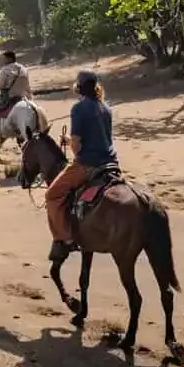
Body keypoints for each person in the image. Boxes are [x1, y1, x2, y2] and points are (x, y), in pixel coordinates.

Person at [44, 68, 116, 259]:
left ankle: (65, 238)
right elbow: (97, 138)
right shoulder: (106, 108)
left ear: (79, 88)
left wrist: (72, 147)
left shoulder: (78, 108)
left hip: (87, 164)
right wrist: (69, 140)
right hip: (111, 164)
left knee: (52, 194)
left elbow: (77, 145)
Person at [0, 50, 32, 136]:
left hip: (9, 97)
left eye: (4, 58)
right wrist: (29, 95)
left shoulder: (5, 69)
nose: (3, 60)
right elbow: (27, 85)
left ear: (9, 58)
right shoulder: (23, 68)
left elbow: (0, 84)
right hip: (23, 96)